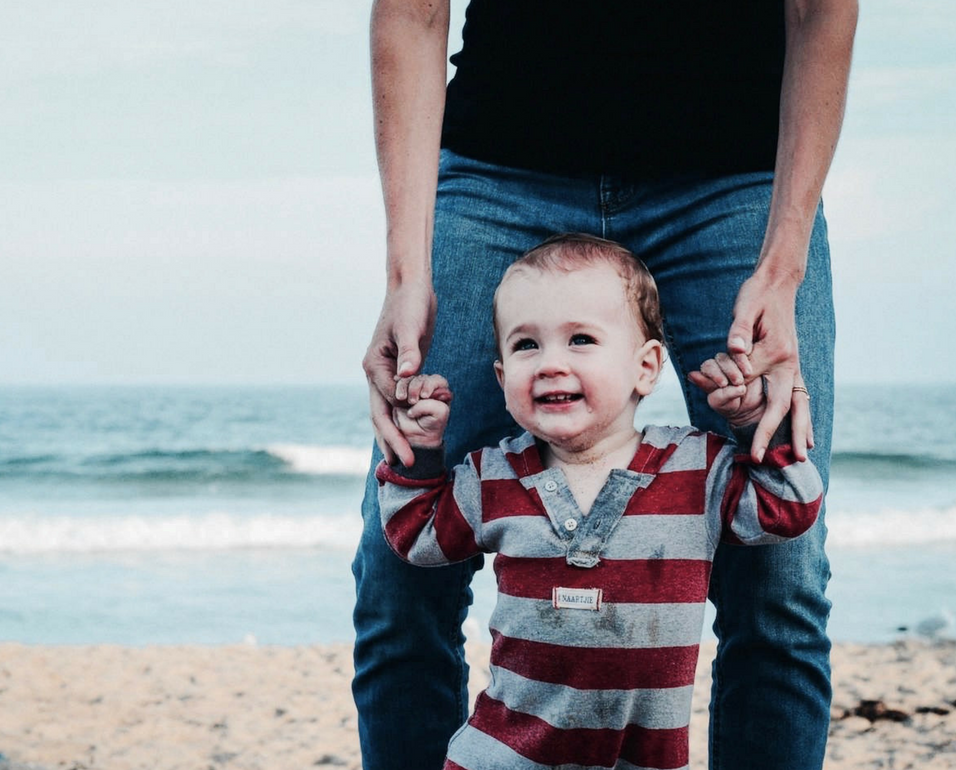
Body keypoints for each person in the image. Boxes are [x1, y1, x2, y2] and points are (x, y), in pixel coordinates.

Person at [353, 2, 857, 769]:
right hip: (498, 170)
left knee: (782, 579)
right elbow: (413, 12)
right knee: (398, 581)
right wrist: (405, 274)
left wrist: (782, 266)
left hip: (737, 178)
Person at [375, 234, 823, 770]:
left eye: (581, 339)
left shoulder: (698, 468)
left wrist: (755, 426)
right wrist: (421, 457)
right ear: (501, 378)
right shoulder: (490, 475)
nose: (549, 364)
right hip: (499, 756)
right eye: (525, 346)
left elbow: (791, 509)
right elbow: (416, 539)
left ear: (647, 367)